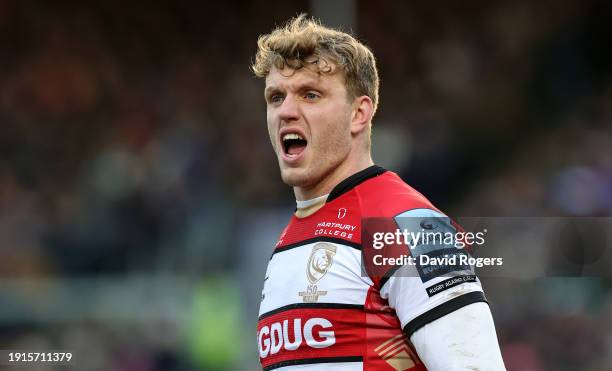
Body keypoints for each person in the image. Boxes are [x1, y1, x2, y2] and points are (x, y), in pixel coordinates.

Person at [252, 14, 506, 370]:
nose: (287, 111)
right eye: (276, 97)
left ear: (359, 113)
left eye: (311, 95)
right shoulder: (289, 240)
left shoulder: (410, 224)